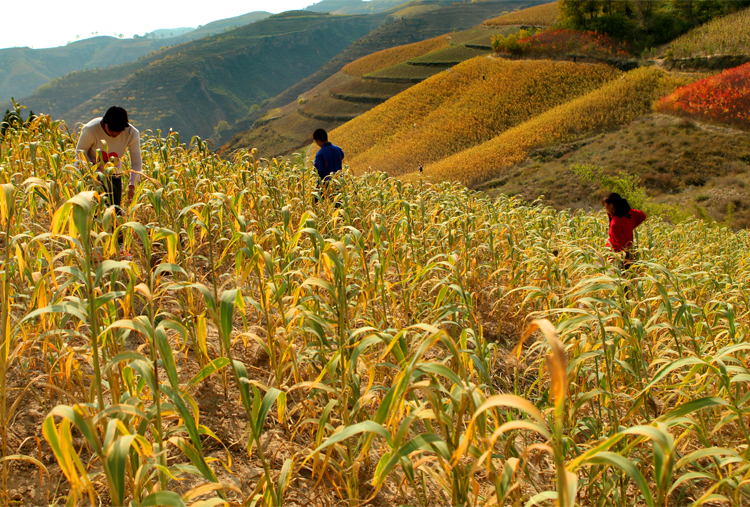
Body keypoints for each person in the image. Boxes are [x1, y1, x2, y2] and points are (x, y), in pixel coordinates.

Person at [76, 106, 142, 257]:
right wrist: (90, 175)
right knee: (94, 211)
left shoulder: (131, 134)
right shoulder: (91, 129)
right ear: (104, 124)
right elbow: (80, 153)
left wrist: (132, 185)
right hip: (91, 171)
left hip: (114, 173)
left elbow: (136, 162)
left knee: (115, 209)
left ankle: (119, 247)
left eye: (118, 131)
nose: (114, 134)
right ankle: (94, 249)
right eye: (111, 130)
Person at [602, 193, 646, 268]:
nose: (606, 209)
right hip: (629, 256)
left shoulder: (615, 223)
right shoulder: (629, 215)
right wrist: (631, 226)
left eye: (606, 206)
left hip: (619, 260)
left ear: (611, 205)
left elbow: (617, 246)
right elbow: (642, 215)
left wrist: (611, 261)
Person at [313, 128, 344, 203]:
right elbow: (341, 157)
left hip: (325, 186)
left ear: (318, 140)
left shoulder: (320, 154)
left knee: (316, 205)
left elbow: (317, 170)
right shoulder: (338, 149)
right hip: (338, 183)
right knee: (339, 206)